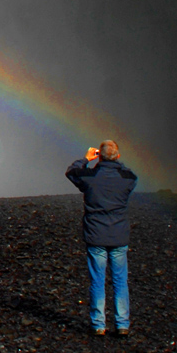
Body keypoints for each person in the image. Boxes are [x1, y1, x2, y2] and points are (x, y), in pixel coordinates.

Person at [66, 140, 138, 337]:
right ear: (118, 156)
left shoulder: (90, 177)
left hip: (96, 235)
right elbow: (132, 175)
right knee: (120, 281)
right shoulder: (126, 178)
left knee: (97, 280)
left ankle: (99, 324)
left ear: (99, 155)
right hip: (119, 235)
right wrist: (116, 161)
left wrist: (86, 159)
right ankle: (122, 324)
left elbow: (72, 172)